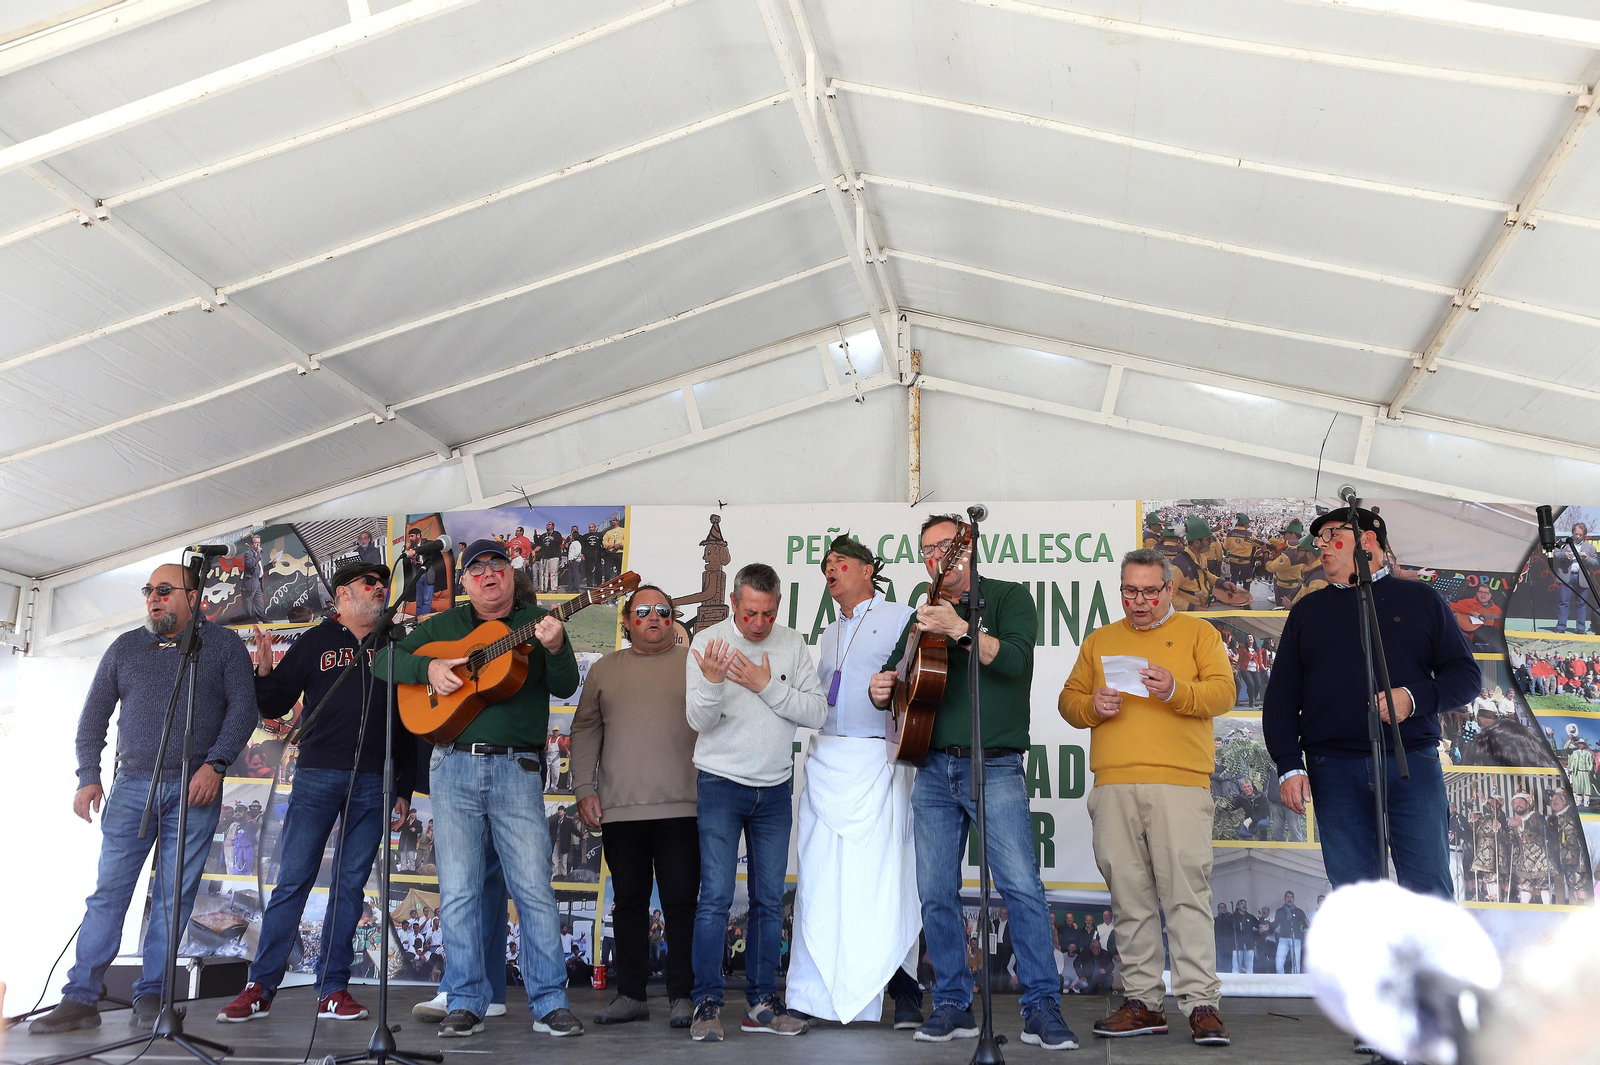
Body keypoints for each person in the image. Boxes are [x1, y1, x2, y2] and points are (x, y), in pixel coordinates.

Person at [867, 513, 1078, 1050]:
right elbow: (896, 683)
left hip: (995, 762)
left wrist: (960, 629)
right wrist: (883, 686)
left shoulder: (1009, 597)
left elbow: (1013, 661)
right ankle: (954, 1005)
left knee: (1020, 887)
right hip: (932, 766)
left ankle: (1041, 1008)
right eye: (928, 551)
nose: (939, 558)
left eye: (947, 547)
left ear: (971, 547)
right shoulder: (921, 613)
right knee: (935, 890)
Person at [31, 563, 258, 1035]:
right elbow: (93, 717)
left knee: (173, 900)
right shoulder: (125, 647)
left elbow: (244, 708)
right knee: (108, 895)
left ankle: (153, 993)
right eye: (148, 591)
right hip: (133, 784)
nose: (153, 598)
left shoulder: (221, 646)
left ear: (193, 597)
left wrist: (215, 764)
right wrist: (88, 776)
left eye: (164, 590)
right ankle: (80, 997)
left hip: (194, 787)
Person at [374, 538, 584, 1039]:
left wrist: (556, 646)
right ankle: (466, 999)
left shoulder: (537, 623)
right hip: (454, 767)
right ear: (465, 582)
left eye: (498, 566)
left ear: (512, 577)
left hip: (518, 769)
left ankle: (550, 1002)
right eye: (478, 569)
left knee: (533, 886)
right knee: (460, 889)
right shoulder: (443, 628)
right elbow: (384, 661)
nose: (489, 574)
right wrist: (427, 668)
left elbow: (564, 683)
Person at [218, 560, 416, 1023]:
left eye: (385, 584)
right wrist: (264, 674)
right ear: (344, 594)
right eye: (371, 583)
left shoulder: (397, 642)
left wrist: (404, 785)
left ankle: (333, 989)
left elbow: (411, 723)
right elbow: (275, 703)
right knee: (293, 880)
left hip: (375, 778)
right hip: (317, 775)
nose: (381, 589)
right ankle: (261, 986)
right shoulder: (317, 640)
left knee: (350, 885)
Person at [1059, 546, 1234, 1046]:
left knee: (1186, 896)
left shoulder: (1200, 634)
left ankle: (1202, 1003)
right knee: (1129, 899)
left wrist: (1176, 689)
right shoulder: (1100, 641)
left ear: (1170, 590)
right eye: (1130, 591)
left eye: (1149, 592)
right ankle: (1143, 1002)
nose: (1139, 602)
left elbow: (1222, 693)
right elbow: (1069, 702)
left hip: (1180, 782)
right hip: (1113, 783)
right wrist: (1092, 705)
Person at [1263, 505, 1479, 897]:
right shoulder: (1307, 611)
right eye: (1319, 539)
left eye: (1332, 536)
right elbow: (1279, 698)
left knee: (1428, 883)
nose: (1322, 546)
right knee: (1354, 895)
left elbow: (1465, 678)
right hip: (1332, 768)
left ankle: (1430, 961)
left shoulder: (1420, 600)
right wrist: (1289, 766)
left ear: (1367, 540)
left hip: (1410, 761)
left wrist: (1412, 699)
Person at [683, 563, 825, 1042]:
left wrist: (767, 686)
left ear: (778, 605)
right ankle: (706, 1004)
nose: (759, 624)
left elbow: (816, 710)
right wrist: (712, 682)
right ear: (735, 605)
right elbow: (699, 721)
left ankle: (762, 1004)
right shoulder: (708, 644)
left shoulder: (791, 643)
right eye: (750, 614)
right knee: (716, 899)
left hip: (775, 788)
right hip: (721, 784)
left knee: (768, 901)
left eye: (768, 613)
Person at [788, 536, 924, 1030]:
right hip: (828, 760)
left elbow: (921, 682)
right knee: (824, 885)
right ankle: (814, 993)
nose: (830, 571)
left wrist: (890, 690)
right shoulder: (826, 634)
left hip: (880, 761)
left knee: (889, 882)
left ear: (867, 570)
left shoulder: (901, 618)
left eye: (840, 563)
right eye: (826, 565)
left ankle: (905, 989)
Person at [570, 584, 700, 1028]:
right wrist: (584, 788)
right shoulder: (605, 669)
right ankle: (630, 995)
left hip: (684, 807)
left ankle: (682, 995)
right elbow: (584, 731)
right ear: (626, 620)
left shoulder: (697, 665)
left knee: (682, 904)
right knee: (629, 903)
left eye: (664, 610)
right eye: (642, 610)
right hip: (620, 809)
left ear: (673, 620)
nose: (654, 617)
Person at [397, 526, 448, 618]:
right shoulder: (409, 548)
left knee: (427, 600)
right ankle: (417, 621)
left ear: (419, 535)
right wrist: (407, 550)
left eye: (412, 536)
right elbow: (406, 564)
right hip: (417, 576)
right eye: (409, 536)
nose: (411, 538)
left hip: (428, 575)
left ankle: (423, 620)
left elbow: (437, 559)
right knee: (419, 601)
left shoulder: (428, 545)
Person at [1555, 522, 1595, 634]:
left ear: (1584, 535)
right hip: (1566, 576)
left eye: (1580, 534)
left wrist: (1587, 559)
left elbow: (1595, 562)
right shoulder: (1563, 542)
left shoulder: (1589, 547)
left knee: (1581, 604)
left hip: (1582, 578)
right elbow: (1555, 553)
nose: (1577, 536)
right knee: (1564, 603)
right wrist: (1564, 555)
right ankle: (1561, 627)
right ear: (1572, 533)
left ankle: (1580, 628)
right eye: (1575, 534)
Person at [1270, 892, 1307, 974]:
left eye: (1291, 897)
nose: (1289, 899)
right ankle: (1281, 980)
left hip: (1296, 939)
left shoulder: (1299, 911)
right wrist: (1268, 926)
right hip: (1283, 938)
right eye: (1287, 897)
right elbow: (1275, 923)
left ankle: (1294, 981)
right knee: (1279, 961)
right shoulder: (1280, 911)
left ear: (1294, 899)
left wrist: (1310, 925)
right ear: (1285, 899)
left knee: (1296, 963)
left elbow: (1305, 924)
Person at [241, 534, 269, 622]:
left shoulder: (259, 556)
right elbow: (250, 566)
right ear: (251, 544)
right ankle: (251, 622)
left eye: (259, 543)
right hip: (250, 584)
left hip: (258, 583)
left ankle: (266, 622)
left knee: (260, 605)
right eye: (255, 543)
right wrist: (257, 555)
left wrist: (272, 564)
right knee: (248, 607)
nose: (257, 545)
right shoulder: (248, 554)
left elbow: (261, 569)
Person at [535, 521, 563, 593]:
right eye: (547, 525)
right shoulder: (544, 535)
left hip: (554, 555)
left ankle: (554, 588)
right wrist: (535, 535)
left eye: (549, 524)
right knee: (543, 573)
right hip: (544, 556)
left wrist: (553, 539)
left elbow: (560, 541)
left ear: (553, 526)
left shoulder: (556, 533)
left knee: (554, 572)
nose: (547, 526)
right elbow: (537, 542)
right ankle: (542, 588)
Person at [580, 522, 605, 587]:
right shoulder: (585, 536)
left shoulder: (600, 535)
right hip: (588, 554)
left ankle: (599, 585)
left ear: (595, 528)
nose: (591, 528)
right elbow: (583, 546)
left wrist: (603, 553)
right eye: (589, 527)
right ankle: (589, 585)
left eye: (592, 527)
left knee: (598, 570)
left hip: (597, 554)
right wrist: (582, 554)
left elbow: (603, 544)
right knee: (588, 570)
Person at [602, 516, 626, 581]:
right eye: (611, 521)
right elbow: (604, 541)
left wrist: (620, 544)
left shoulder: (623, 530)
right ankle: (607, 586)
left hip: (620, 553)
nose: (612, 522)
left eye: (614, 520)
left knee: (621, 571)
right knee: (607, 571)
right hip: (610, 554)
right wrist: (607, 546)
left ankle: (622, 585)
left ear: (617, 521)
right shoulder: (608, 532)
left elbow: (627, 540)